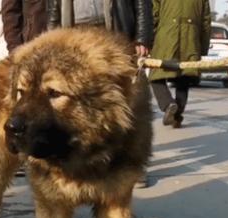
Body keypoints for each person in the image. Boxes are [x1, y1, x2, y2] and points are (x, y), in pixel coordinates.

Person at [150, 0, 211, 128]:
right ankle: (177, 116)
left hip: (166, 36)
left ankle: (168, 104)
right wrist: (202, 47)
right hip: (191, 38)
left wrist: (149, 41)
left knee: (156, 76)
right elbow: (206, 22)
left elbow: (153, 15)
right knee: (184, 77)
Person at [46, 0, 153, 56]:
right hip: (76, 34)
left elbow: (142, 2)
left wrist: (142, 37)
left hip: (111, 33)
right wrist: (50, 42)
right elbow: (54, 7)